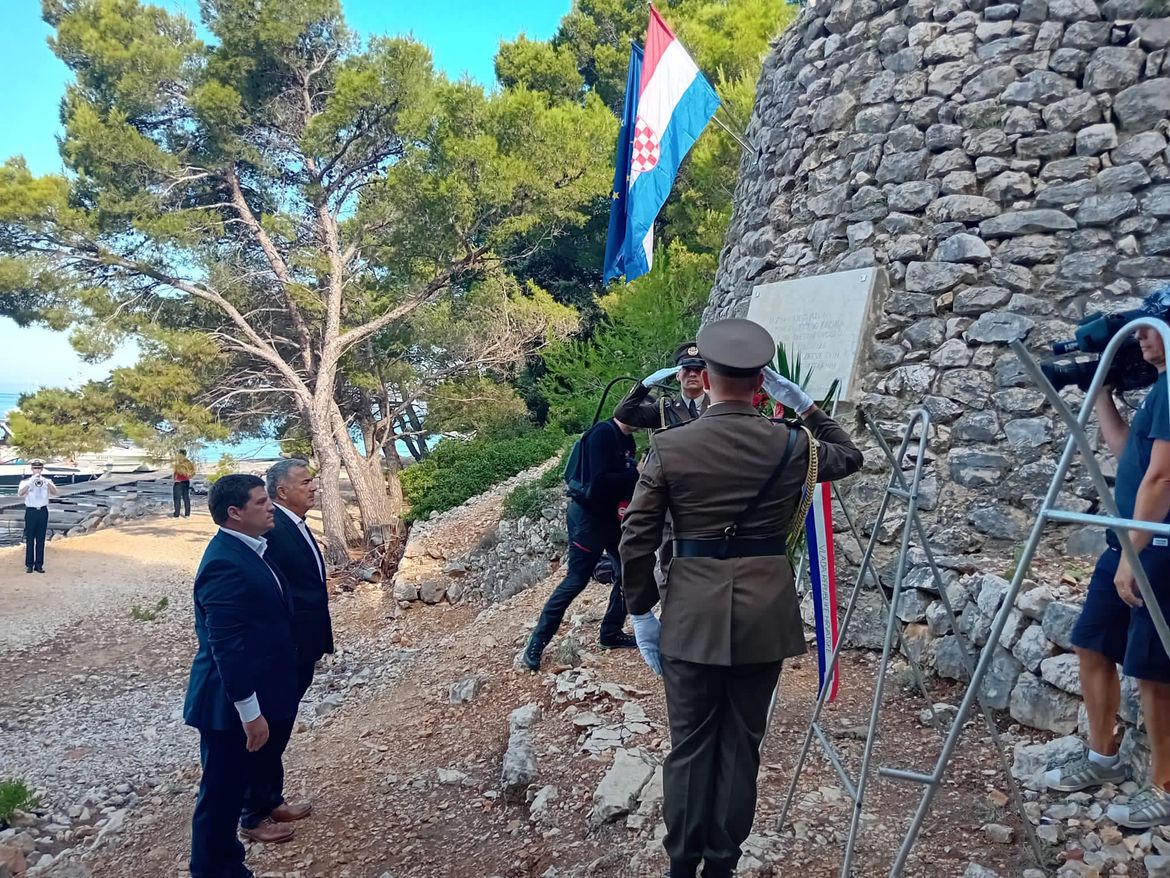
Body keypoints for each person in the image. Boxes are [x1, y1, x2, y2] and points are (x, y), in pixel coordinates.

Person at [619, 318, 863, 878]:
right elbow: (849, 455)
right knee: (741, 746)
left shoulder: (670, 445)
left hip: (692, 615)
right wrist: (803, 405)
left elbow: (637, 538)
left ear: (704, 378)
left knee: (689, 748)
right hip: (764, 613)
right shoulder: (796, 444)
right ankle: (721, 866)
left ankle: (682, 865)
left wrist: (641, 613)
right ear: (762, 384)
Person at [1045, 318, 1170, 829]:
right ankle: (1102, 758)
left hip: (1156, 547)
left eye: (1151, 329)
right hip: (1128, 541)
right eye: (1137, 332)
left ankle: (1163, 786)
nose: (1141, 338)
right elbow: (1132, 458)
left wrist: (1132, 555)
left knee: (1154, 671)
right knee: (1092, 643)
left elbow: (1162, 480)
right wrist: (1100, 391)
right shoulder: (1159, 391)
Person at [184, 474, 301, 878]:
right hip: (226, 703)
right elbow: (225, 646)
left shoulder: (250, 549)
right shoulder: (223, 562)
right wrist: (250, 713)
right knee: (220, 795)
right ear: (234, 513)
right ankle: (214, 870)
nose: (270, 507)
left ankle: (225, 864)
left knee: (231, 788)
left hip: (252, 693)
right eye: (260, 502)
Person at [240, 459, 333, 830]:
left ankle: (270, 799)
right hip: (285, 650)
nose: (314, 486)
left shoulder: (295, 524)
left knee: (281, 726)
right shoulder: (273, 531)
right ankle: (252, 812)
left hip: (302, 646)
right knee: (271, 728)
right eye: (306, 481)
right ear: (282, 491)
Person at [521, 415, 641, 670]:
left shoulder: (628, 439)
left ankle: (611, 632)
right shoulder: (601, 434)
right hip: (587, 520)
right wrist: (634, 473)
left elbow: (622, 483)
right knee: (577, 579)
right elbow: (598, 483)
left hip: (612, 520)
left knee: (626, 573)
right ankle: (537, 643)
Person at [614, 340, 711, 431]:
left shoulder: (717, 404)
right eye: (687, 369)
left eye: (698, 369)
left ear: (706, 374)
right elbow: (623, 414)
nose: (692, 374)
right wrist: (644, 385)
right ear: (677, 375)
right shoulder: (664, 409)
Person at [18, 459, 58, 574]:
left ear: (42, 469)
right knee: (30, 538)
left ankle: (39, 565)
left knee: (41, 539)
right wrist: (31, 482)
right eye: (35, 468)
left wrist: (47, 483)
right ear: (32, 469)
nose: (37, 470)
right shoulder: (25, 481)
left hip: (43, 511)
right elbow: (20, 493)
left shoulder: (47, 480)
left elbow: (55, 492)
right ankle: (29, 565)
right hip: (31, 511)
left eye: (39, 468)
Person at [173, 449, 196, 518]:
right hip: (186, 482)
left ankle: (177, 514)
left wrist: (175, 479)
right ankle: (187, 514)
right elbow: (193, 472)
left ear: (180, 454)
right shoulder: (189, 463)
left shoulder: (179, 462)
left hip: (178, 482)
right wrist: (188, 477)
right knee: (186, 497)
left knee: (177, 498)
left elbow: (176, 472)